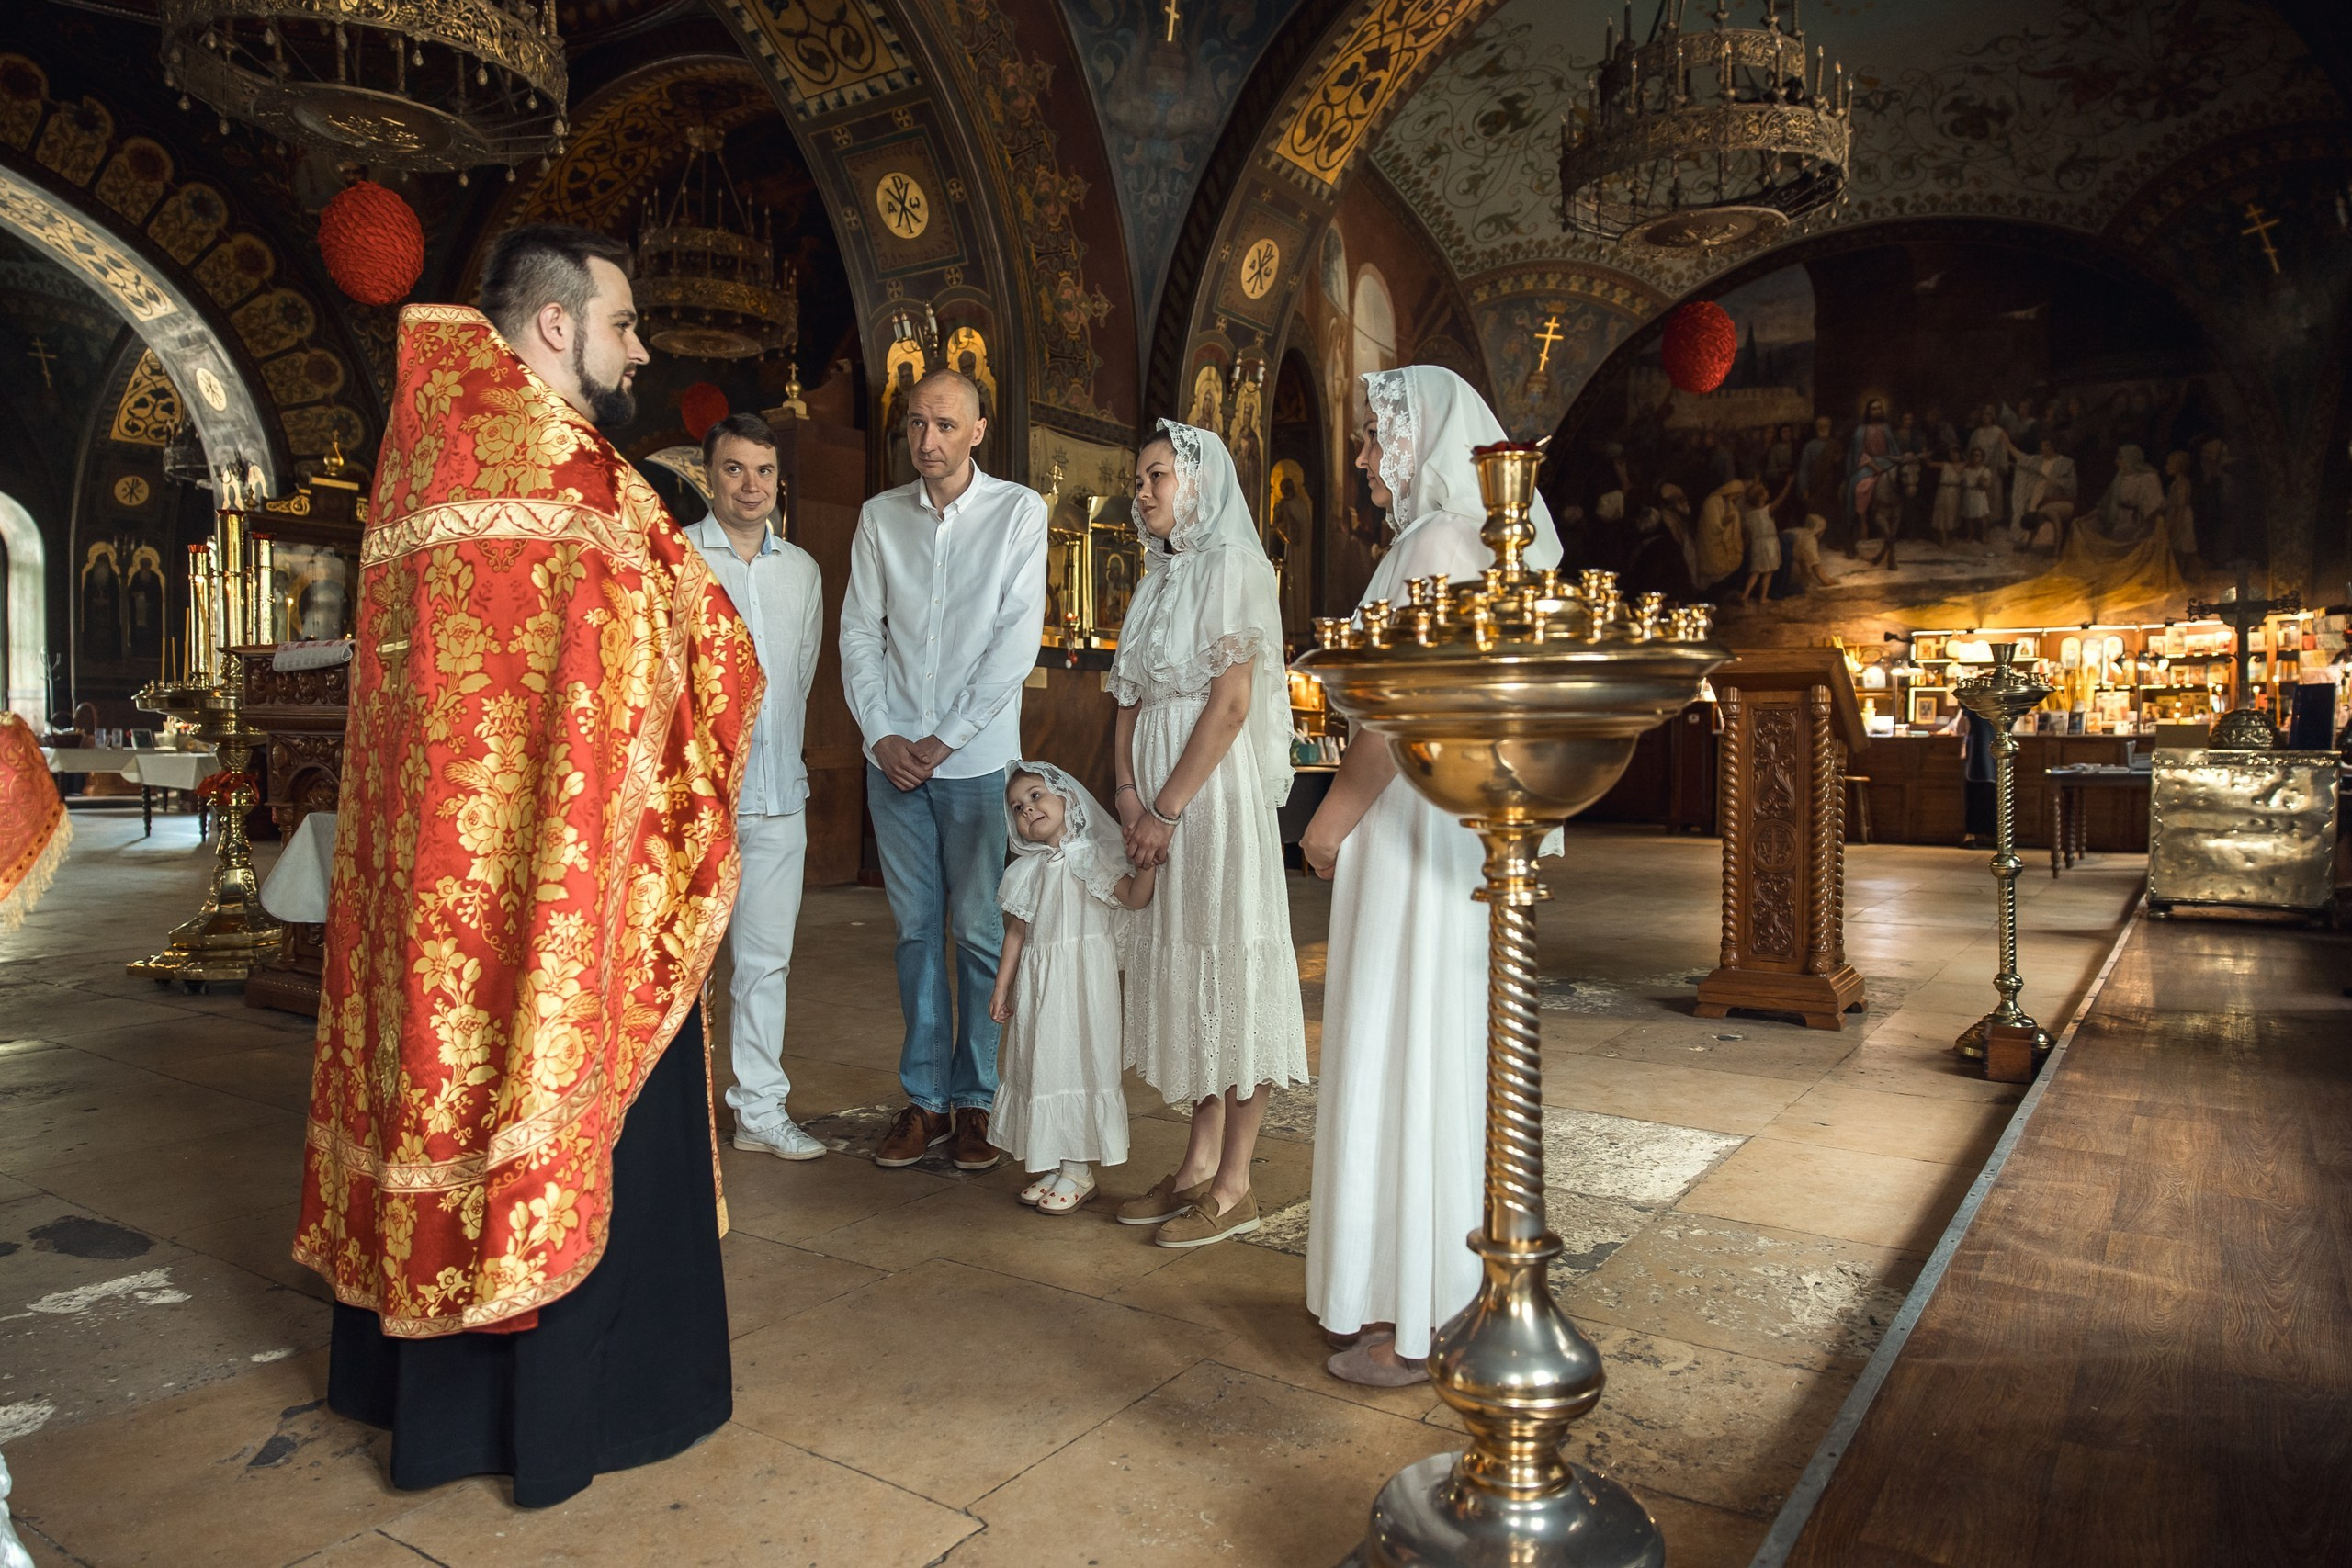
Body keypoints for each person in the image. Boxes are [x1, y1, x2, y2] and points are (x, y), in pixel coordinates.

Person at [297, 224, 760, 1506]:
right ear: (555, 325)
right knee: (572, 1089)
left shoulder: (421, 457)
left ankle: (426, 1403)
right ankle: (575, 1410)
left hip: (433, 886)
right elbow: (711, 658)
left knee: (440, 1082)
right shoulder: (582, 482)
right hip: (567, 891)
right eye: (623, 324)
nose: (640, 349)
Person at [1299, 365, 1565, 1388]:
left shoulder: (1433, 544)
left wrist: (1332, 816)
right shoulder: (1467, 543)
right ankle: (1434, 1295)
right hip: (1451, 825)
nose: (1365, 458)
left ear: (1423, 440)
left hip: (1411, 825)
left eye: (1376, 438)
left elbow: (1395, 713)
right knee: (1441, 1047)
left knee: (1401, 1040)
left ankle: (1411, 1314)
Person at [842, 367, 1049, 1174]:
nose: (927, 440)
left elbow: (1014, 642)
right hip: (893, 762)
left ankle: (978, 1099)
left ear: (978, 430)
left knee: (979, 929)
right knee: (915, 931)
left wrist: (945, 739)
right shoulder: (879, 517)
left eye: (945, 425)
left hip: (978, 760)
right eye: (916, 424)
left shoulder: (1017, 512)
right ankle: (925, 1098)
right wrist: (882, 733)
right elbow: (860, 632)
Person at [1109, 420, 1306, 1249]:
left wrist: (1165, 808)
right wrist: (1126, 792)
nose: (1142, 490)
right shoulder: (1157, 578)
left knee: (1233, 970)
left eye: (1157, 475)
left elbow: (1229, 705)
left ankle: (1236, 1183)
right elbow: (1127, 700)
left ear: (1198, 482)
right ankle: (1195, 1164)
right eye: (1139, 478)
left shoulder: (1233, 565)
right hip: (1155, 798)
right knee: (1192, 975)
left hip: (1210, 798)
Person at [685, 412, 826, 1162]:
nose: (751, 485)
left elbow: (797, 680)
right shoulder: (676, 556)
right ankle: (671, 1115)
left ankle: (760, 1111)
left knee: (767, 961)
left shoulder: (801, 571)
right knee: (681, 962)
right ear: (709, 474)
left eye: (764, 471)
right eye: (735, 469)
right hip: (696, 801)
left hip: (778, 797)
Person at [988, 762, 1157, 1216]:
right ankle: (1057, 1161)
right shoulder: (1027, 871)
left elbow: (1133, 898)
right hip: (1041, 987)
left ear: (1069, 798)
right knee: (1043, 1063)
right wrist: (1003, 987)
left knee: (1078, 1062)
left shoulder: (1091, 857)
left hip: (1083, 985)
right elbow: (1017, 933)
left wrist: (1148, 866)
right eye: (1017, 807)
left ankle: (1079, 1169)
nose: (1027, 809)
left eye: (1036, 796)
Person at [1738, 478, 1785, 603]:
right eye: (1765, 491)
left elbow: (1748, 535)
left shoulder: (1749, 516)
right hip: (1768, 544)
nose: (1767, 492)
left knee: (1756, 571)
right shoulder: (1767, 510)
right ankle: (1763, 597)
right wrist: (1789, 484)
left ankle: (1745, 595)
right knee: (1769, 571)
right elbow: (1780, 500)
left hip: (1757, 545)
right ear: (1761, 497)